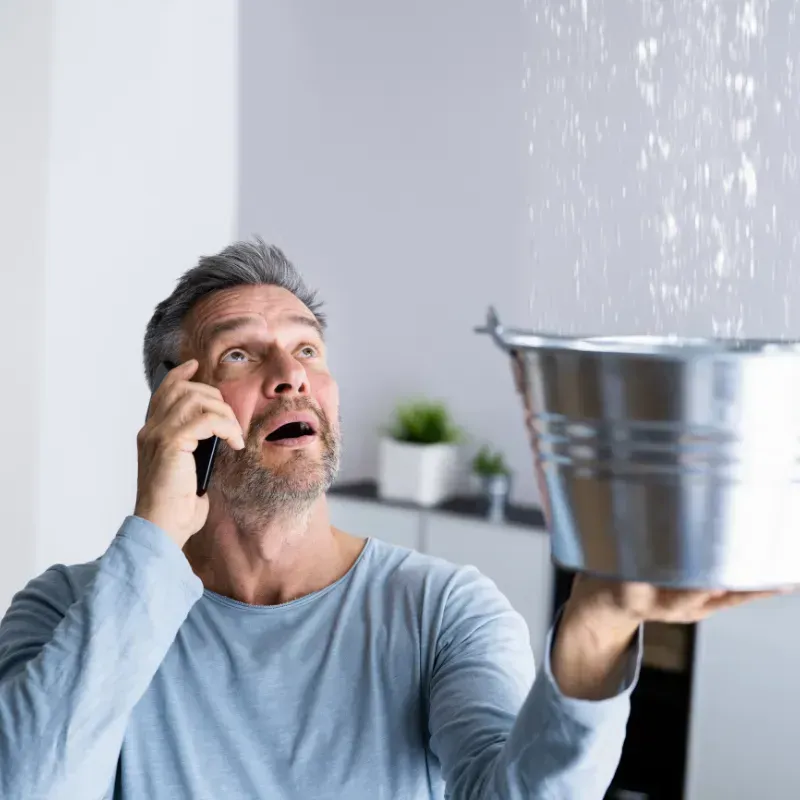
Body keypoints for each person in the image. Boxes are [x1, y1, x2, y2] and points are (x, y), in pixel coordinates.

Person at [0, 239, 779, 799]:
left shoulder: (445, 611)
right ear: (176, 406)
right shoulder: (69, 610)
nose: (290, 377)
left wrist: (597, 627)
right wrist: (154, 537)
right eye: (241, 355)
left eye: (309, 349)